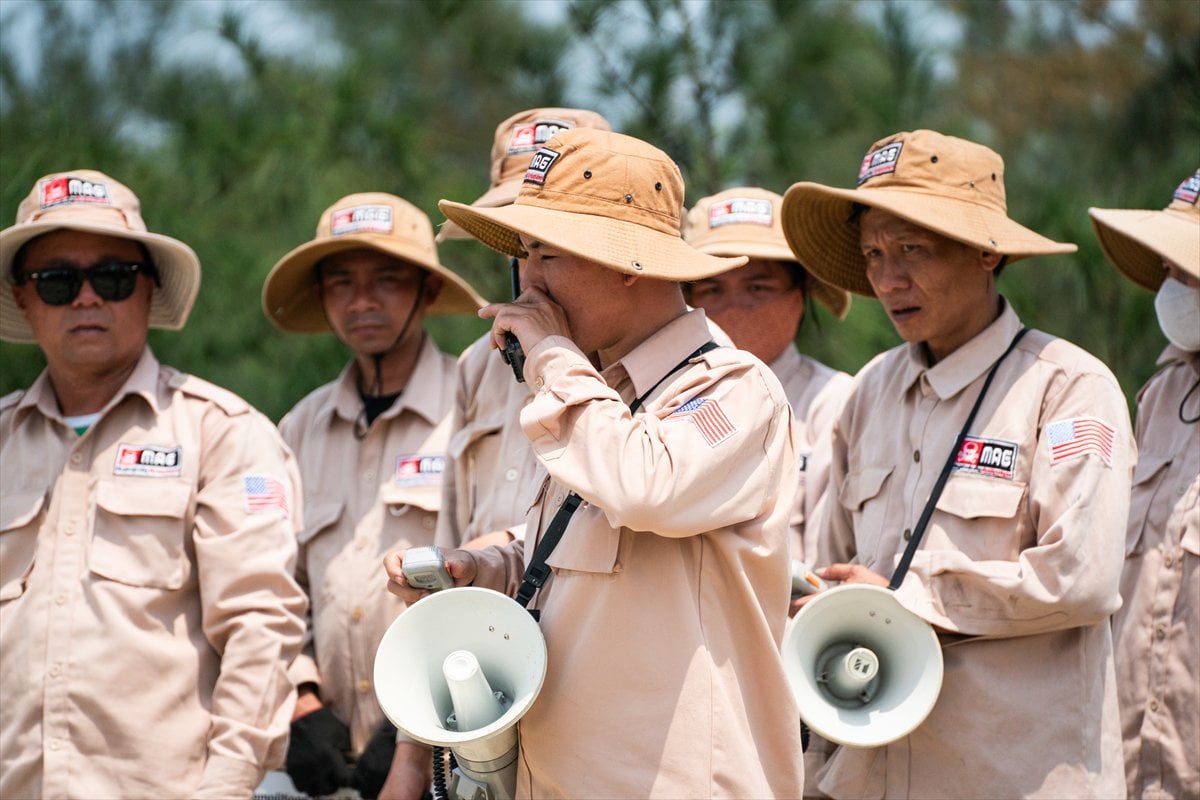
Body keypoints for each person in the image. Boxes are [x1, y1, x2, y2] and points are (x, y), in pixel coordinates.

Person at [386, 127, 807, 797]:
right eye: (525, 254)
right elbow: (580, 571)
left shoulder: (733, 387)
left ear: (629, 261)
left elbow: (645, 489)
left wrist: (552, 357)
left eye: (546, 252)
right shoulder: (598, 399)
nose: (529, 281)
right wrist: (487, 570)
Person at [781, 130, 1132, 799]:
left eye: (914, 249)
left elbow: (1082, 578)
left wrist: (910, 599)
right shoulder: (868, 394)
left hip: (1010, 778)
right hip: (866, 774)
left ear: (986, 251)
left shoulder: (1068, 389)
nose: (889, 279)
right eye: (874, 254)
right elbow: (832, 577)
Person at [0, 169, 307, 799]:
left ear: (148, 290)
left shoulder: (222, 433)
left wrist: (226, 786)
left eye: (111, 277)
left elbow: (260, 626)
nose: (86, 298)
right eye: (57, 282)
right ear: (24, 299)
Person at [261, 192, 486, 799]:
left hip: (450, 755)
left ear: (428, 291)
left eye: (387, 280)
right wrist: (302, 700)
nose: (362, 301)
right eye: (342, 283)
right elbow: (274, 587)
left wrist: (418, 727)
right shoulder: (297, 429)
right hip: (323, 761)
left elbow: (504, 583)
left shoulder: (471, 415)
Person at [433, 106, 611, 552]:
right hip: (484, 617)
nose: (529, 262)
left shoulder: (669, 360)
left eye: (550, 239)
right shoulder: (480, 362)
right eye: (513, 233)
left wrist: (506, 551)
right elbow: (455, 528)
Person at [1090, 170, 1199, 800]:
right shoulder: (1160, 397)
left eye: (1188, 271)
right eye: (1168, 271)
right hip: (1133, 762)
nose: (1172, 291)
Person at [683, 186, 852, 575]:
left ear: (799, 297)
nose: (735, 308)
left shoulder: (836, 401)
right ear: (688, 298)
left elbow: (828, 567)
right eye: (712, 288)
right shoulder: (657, 399)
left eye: (758, 288)